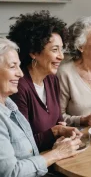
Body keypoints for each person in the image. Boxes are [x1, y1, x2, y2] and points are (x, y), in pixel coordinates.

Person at [0, 38, 82, 177]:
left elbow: (29, 151)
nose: (20, 73)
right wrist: (56, 153)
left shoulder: (10, 106)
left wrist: (56, 146)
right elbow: (11, 172)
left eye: (19, 66)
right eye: (13, 66)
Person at [7, 10, 81, 152]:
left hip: (58, 154)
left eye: (61, 49)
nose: (61, 56)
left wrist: (65, 131)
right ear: (34, 52)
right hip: (38, 165)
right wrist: (55, 132)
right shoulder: (19, 86)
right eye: (55, 50)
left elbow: (59, 121)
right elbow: (23, 145)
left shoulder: (52, 79)